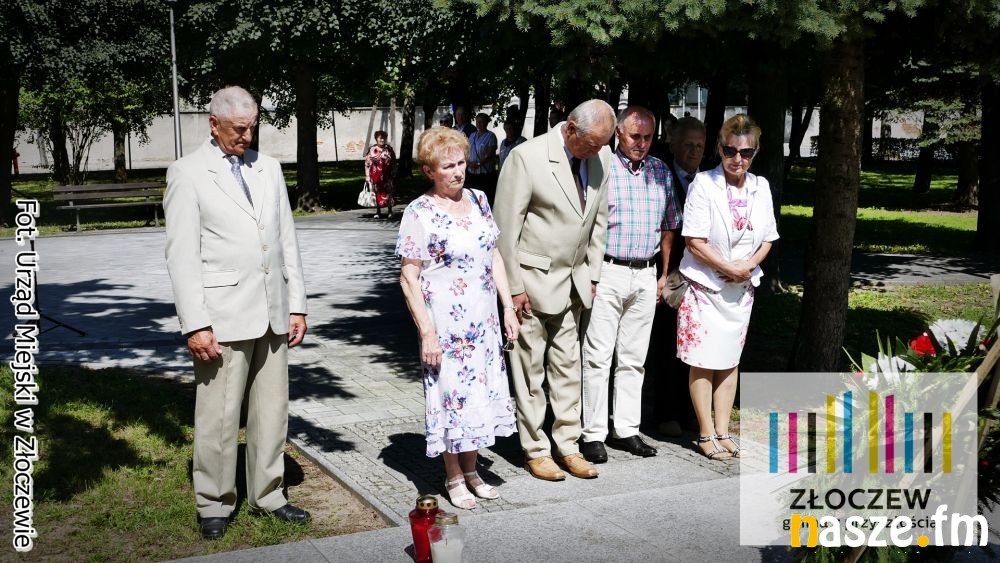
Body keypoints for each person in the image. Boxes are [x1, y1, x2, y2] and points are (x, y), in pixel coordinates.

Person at [163, 86, 309, 540]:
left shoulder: (269, 168)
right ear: (214, 124)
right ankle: (214, 502)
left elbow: (286, 240)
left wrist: (298, 304)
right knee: (219, 415)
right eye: (237, 129)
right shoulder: (187, 173)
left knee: (272, 410)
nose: (246, 136)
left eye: (251, 128)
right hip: (221, 315)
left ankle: (269, 494)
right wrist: (195, 323)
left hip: (273, 310)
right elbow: (181, 256)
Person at [397, 127, 519, 510]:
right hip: (445, 328)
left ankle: (472, 470)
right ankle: (453, 475)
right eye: (447, 166)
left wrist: (508, 307)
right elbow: (408, 277)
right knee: (451, 397)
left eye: (461, 163)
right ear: (429, 171)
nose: (457, 172)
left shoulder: (479, 200)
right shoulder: (419, 212)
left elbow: (493, 256)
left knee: (478, 394)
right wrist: (427, 332)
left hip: (483, 324)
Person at [494, 99, 615, 481]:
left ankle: (568, 445)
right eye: (592, 143)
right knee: (529, 373)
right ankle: (535, 449)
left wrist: (593, 274)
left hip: (574, 284)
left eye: (603, 144)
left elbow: (599, 220)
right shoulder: (526, 158)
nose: (598, 151)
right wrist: (513, 289)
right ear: (570, 129)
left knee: (568, 369)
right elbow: (505, 230)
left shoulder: (601, 156)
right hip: (530, 284)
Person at [580, 106, 680, 463]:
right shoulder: (602, 166)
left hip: (645, 273)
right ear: (619, 134)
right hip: (608, 270)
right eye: (635, 136)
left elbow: (669, 225)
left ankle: (626, 429)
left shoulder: (660, 171)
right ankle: (592, 433)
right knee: (597, 357)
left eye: (648, 137)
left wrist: (663, 274)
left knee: (634, 359)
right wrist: (590, 274)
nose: (641, 143)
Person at [676, 114, 778, 460]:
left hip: (741, 289)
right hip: (706, 287)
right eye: (731, 151)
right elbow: (694, 241)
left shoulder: (760, 187)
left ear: (755, 153)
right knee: (703, 360)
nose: (738, 159)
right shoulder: (704, 184)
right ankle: (705, 433)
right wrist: (728, 267)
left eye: (746, 152)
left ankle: (723, 431)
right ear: (720, 149)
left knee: (730, 361)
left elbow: (768, 237)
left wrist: (747, 267)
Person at [648, 116, 706, 438]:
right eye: (688, 145)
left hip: (701, 274)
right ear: (673, 145)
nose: (694, 151)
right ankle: (666, 411)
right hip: (669, 272)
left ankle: (690, 410)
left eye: (699, 146)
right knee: (668, 342)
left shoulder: (708, 180)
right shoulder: (660, 175)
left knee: (695, 343)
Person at [466, 112, 499, 203]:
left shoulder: (491, 136)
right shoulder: (472, 135)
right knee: (472, 197)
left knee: (484, 199)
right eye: (477, 122)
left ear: (486, 123)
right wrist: (468, 163)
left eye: (481, 122)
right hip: (471, 173)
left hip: (484, 174)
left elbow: (490, 154)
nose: (479, 124)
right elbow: (467, 150)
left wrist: (478, 163)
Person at [364, 130, 396, 219]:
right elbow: (367, 164)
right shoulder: (372, 149)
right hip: (375, 176)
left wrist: (394, 172)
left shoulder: (389, 149)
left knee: (389, 192)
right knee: (377, 193)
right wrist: (367, 176)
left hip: (387, 175)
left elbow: (394, 162)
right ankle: (378, 211)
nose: (382, 140)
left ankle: (390, 211)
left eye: (384, 138)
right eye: (380, 138)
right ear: (376, 139)